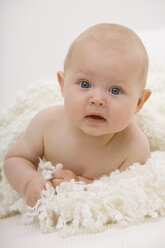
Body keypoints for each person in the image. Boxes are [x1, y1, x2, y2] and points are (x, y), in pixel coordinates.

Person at [4, 23, 151, 207]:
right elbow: (15, 159)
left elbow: (124, 190)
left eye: (115, 90)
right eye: (84, 84)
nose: (97, 99)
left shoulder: (134, 147)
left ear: (139, 102)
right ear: (62, 84)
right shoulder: (46, 124)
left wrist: (84, 185)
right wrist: (29, 182)